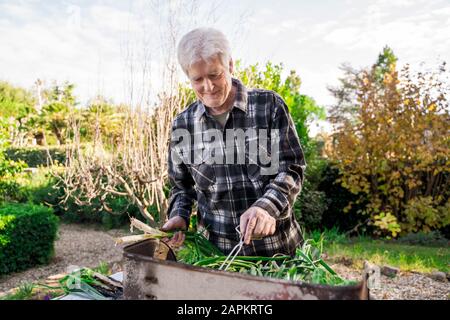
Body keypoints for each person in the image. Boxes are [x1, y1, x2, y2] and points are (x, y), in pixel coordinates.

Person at [161, 27, 306, 257]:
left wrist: (265, 207)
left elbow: (292, 169)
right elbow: (181, 187)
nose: (208, 87)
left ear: (230, 65)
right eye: (198, 79)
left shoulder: (269, 106)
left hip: (278, 254)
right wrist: (179, 215)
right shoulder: (183, 125)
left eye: (215, 75)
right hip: (218, 258)